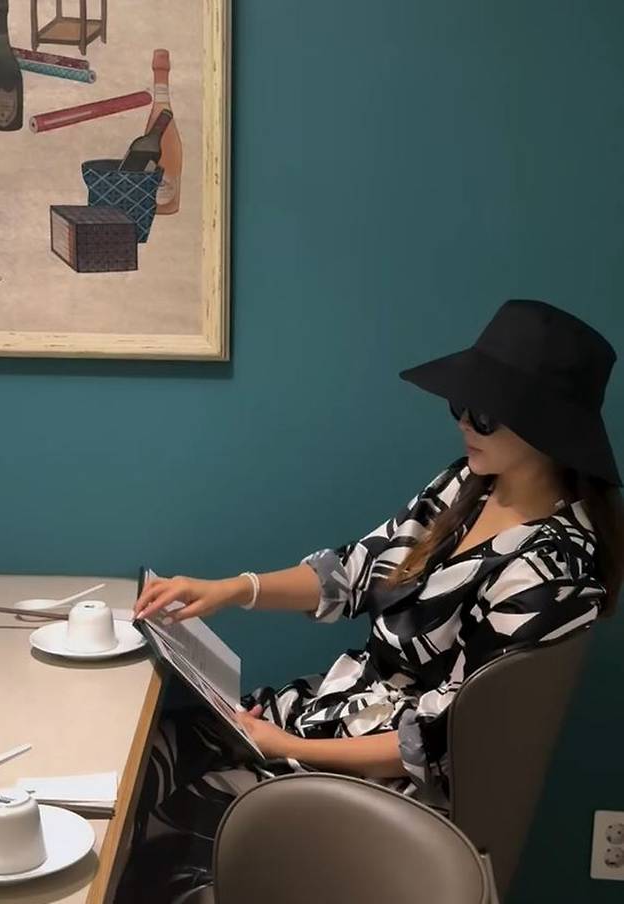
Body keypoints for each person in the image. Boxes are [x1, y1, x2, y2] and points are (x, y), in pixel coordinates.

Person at [115, 299, 624, 904]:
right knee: (152, 756)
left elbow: (445, 738)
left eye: (483, 414)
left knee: (178, 841)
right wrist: (229, 590)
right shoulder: (467, 484)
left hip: (389, 778)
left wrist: (289, 748)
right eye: (459, 405)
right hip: (336, 711)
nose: (463, 423)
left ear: (546, 429)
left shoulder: (554, 568)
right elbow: (356, 571)